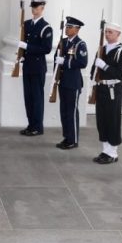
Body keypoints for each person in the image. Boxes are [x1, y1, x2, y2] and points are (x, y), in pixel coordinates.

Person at [91, 22, 122, 164]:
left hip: (113, 90)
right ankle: (105, 150)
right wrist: (93, 80)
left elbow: (121, 75)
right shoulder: (102, 49)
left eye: (111, 32)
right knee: (102, 120)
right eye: (106, 32)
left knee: (112, 120)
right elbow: (94, 69)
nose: (107, 34)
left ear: (118, 34)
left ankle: (112, 153)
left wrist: (105, 66)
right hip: (101, 88)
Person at [17, 0, 53, 136]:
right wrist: (22, 53)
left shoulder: (46, 27)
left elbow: (46, 48)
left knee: (37, 98)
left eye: (37, 7)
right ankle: (31, 124)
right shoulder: (26, 24)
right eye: (33, 7)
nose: (34, 10)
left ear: (42, 8)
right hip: (27, 65)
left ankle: (38, 126)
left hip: (38, 67)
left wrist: (28, 47)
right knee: (28, 97)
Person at [54, 16, 87, 150]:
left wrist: (66, 62)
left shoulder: (80, 44)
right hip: (63, 81)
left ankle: (73, 140)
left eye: (70, 27)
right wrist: (55, 77)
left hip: (73, 83)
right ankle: (67, 137)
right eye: (66, 27)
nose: (67, 29)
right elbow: (56, 60)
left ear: (77, 29)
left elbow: (82, 63)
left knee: (72, 111)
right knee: (64, 111)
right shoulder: (63, 42)